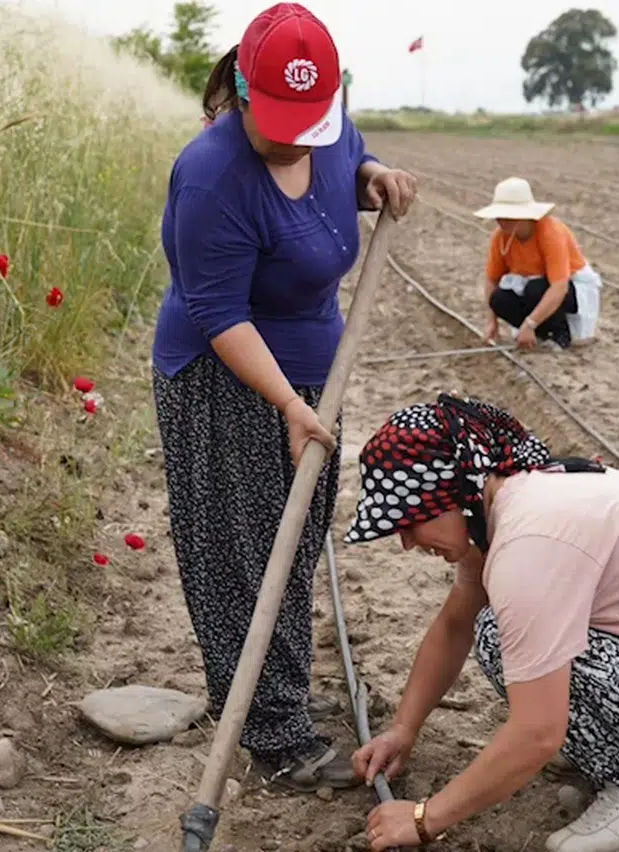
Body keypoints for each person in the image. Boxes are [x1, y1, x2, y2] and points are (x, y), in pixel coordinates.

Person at [150, 2, 417, 793]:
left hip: (313, 375)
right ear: (242, 87)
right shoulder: (211, 175)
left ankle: (279, 696)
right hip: (226, 376)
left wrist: (372, 178)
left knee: (295, 543)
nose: (299, 136)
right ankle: (274, 738)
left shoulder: (329, 130)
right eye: (281, 120)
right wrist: (287, 406)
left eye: (314, 119)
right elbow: (219, 313)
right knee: (242, 553)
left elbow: (347, 165)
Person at [342, 395, 619, 851]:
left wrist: (423, 819)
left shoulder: (529, 542)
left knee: (500, 638)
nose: (406, 543)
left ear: (454, 493)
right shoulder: (517, 493)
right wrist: (404, 728)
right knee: (504, 633)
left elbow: (538, 732)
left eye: (411, 521)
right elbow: (456, 623)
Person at [476, 177, 603, 351]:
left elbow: (560, 286)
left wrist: (529, 324)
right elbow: (492, 279)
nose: (500, 221)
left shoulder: (550, 233)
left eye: (507, 216)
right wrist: (492, 321)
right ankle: (539, 334)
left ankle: (559, 335)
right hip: (532, 286)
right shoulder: (500, 237)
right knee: (499, 299)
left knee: (535, 289)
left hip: (568, 288)